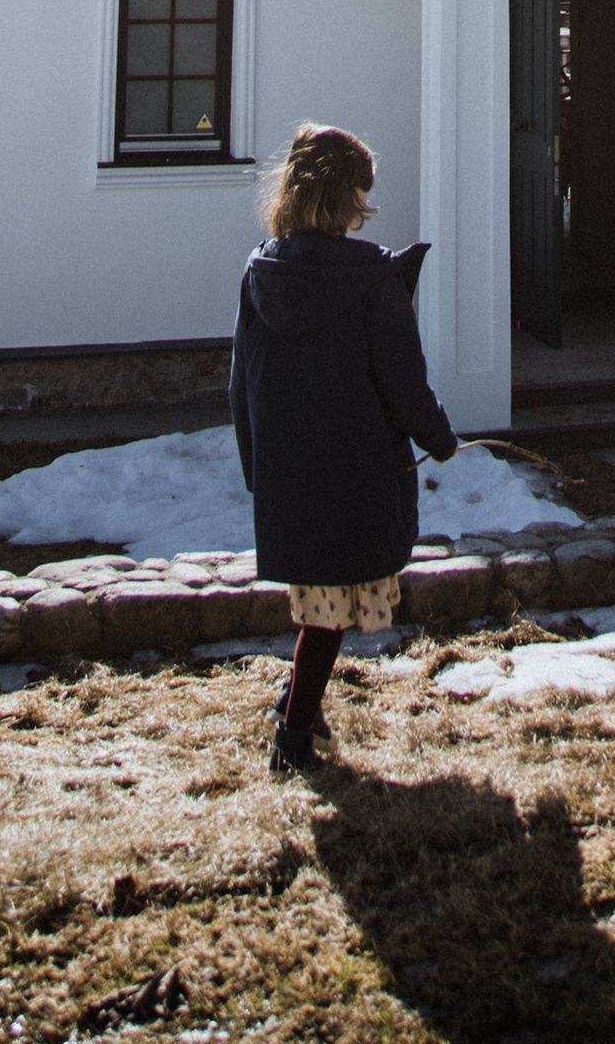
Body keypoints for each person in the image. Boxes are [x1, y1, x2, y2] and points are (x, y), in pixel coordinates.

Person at [230, 120, 459, 779]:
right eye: (363, 191)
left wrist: (258, 468)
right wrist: (439, 440)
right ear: (346, 197)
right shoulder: (371, 276)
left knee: (320, 610)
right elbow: (402, 380)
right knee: (330, 616)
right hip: (355, 470)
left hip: (292, 471)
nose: (368, 204)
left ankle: (300, 713)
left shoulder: (261, 270)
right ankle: (293, 740)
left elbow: (241, 381)